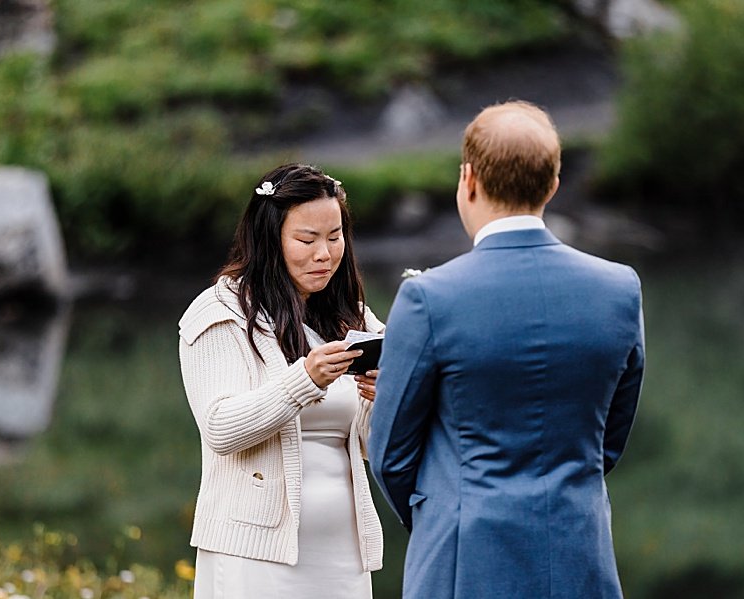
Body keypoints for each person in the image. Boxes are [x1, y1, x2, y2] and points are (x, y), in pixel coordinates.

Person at [368, 100, 646, 598]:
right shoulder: (619, 288)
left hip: (464, 561)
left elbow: (391, 455)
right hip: (579, 553)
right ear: (553, 185)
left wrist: (443, 516)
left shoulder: (430, 297)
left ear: (468, 179)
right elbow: (609, 438)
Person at [176, 163, 385, 598]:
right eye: (306, 240)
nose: (324, 254)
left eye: (334, 237)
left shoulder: (353, 315)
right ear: (270, 240)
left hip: (342, 550)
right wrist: (305, 379)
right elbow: (220, 428)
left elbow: (370, 446)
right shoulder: (221, 312)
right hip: (255, 554)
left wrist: (383, 398)